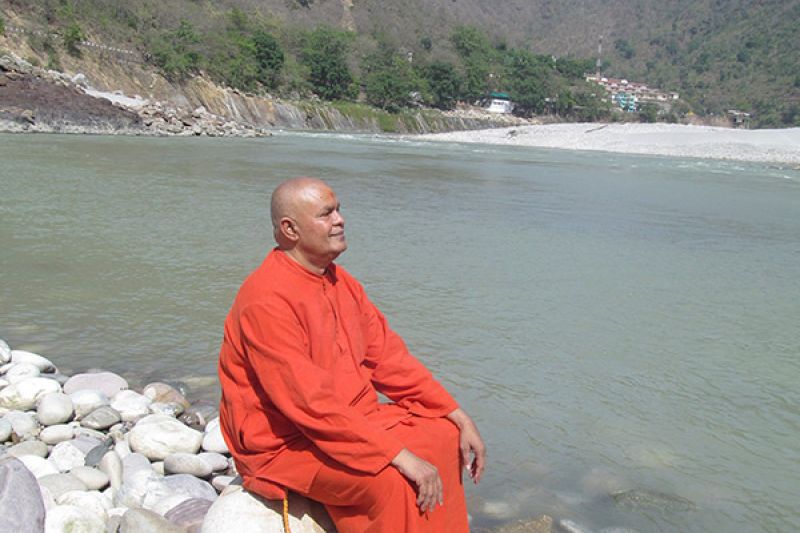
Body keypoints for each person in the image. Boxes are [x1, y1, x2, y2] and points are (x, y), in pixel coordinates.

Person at [218, 177, 486, 533]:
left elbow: (390, 359)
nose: (340, 220)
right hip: (287, 441)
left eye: (338, 210)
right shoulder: (266, 299)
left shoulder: (341, 282)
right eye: (326, 214)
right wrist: (396, 455)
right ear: (290, 229)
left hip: (351, 419)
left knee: (444, 436)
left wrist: (457, 414)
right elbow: (307, 402)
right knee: (392, 480)